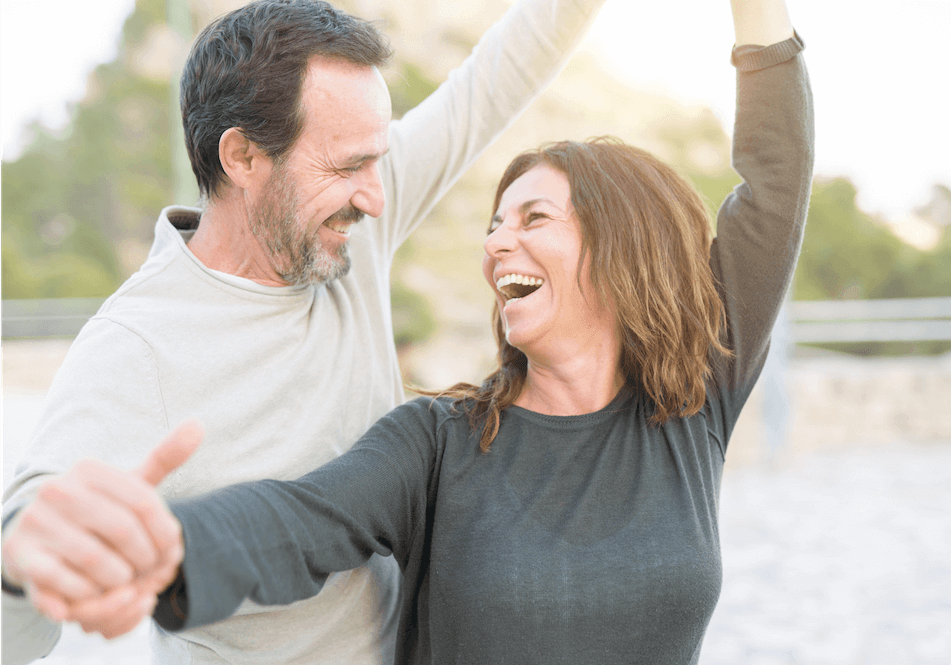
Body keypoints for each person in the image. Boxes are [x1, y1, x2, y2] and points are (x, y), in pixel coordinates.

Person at [0, 0, 607, 663]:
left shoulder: (349, 218)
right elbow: (29, 548)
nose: (377, 196)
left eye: (379, 160)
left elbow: (504, 69)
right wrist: (24, 561)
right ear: (243, 156)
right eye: (348, 167)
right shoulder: (135, 346)